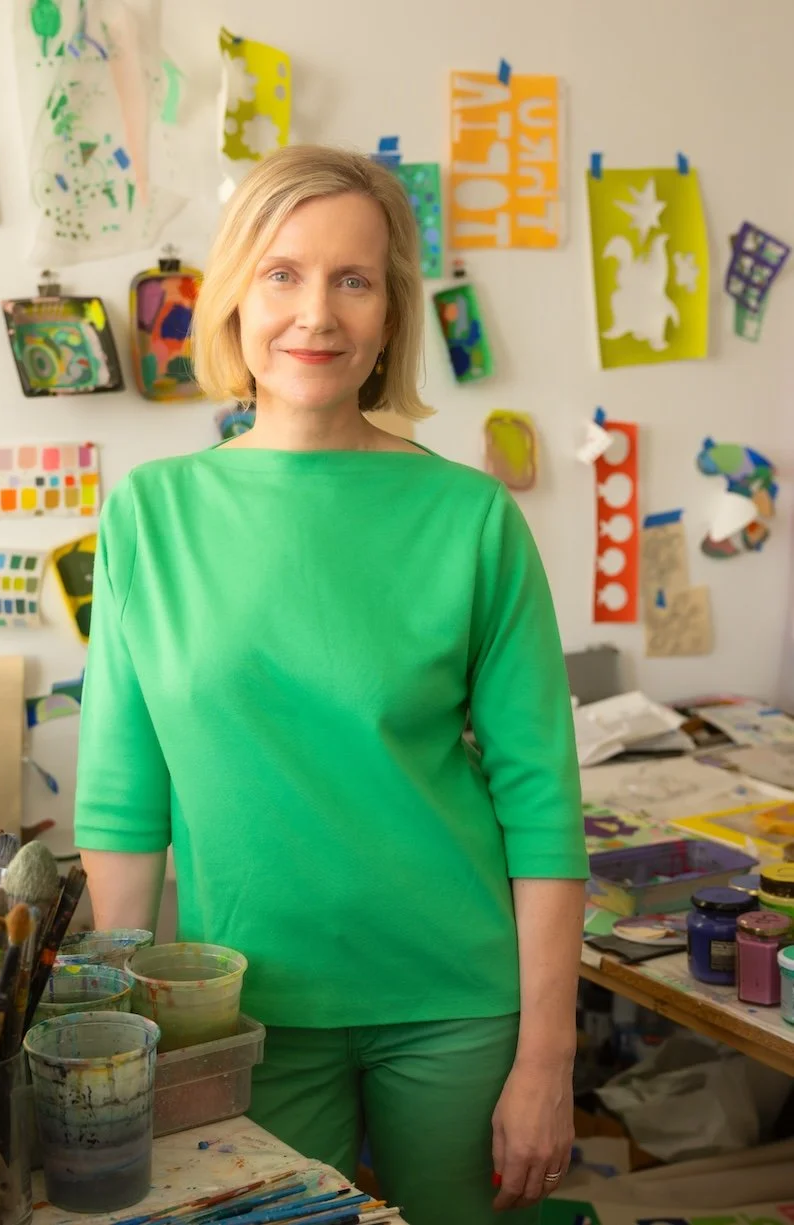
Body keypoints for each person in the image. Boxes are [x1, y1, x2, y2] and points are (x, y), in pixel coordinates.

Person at [75, 144, 588, 1224]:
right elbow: (125, 807)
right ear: (232, 299)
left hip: (458, 1002)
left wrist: (548, 1054)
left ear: (392, 311)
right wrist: (120, 1041)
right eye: (283, 274)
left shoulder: (472, 519)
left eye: (352, 280)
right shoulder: (149, 517)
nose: (316, 313)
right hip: (243, 1015)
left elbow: (541, 805)